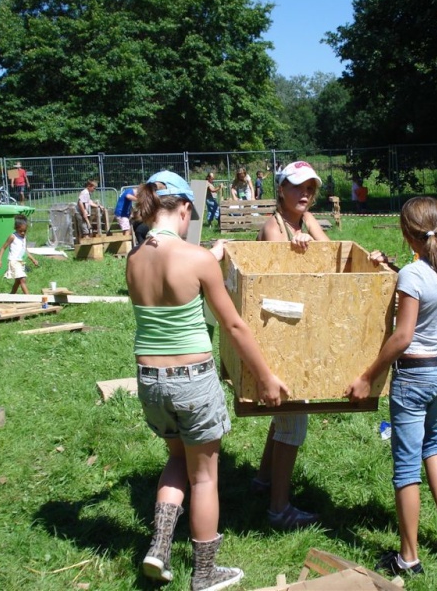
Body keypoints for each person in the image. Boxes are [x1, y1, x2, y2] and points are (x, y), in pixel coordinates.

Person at [127, 170, 288, 590]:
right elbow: (233, 326)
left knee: (177, 459)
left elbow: (170, 276)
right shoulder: (195, 258)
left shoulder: (134, 259)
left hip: (150, 381)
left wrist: (209, 254)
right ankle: (204, 573)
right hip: (192, 381)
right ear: (184, 208)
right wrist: (266, 377)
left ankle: (159, 548)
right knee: (204, 476)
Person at [345, 196, 437, 576]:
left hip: (415, 376)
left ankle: (408, 557)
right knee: (433, 445)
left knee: (405, 468)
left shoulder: (413, 276)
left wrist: (367, 376)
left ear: (405, 232)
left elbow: (402, 337)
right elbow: (430, 286)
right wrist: (395, 269)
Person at [252, 161, 329, 529]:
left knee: (285, 414)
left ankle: (263, 479)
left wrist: (312, 243)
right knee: (294, 421)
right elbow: (281, 285)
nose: (305, 194)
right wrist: (296, 251)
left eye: (310, 188)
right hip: (279, 335)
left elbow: (330, 256)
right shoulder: (274, 227)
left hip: (295, 329)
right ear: (280, 189)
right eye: (297, 187)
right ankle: (278, 508)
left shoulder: (305, 219)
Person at [0, 214, 39, 294]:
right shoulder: (13, 237)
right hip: (13, 262)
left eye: (25, 231)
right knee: (22, 279)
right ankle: (29, 298)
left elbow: (25, 250)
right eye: (20, 231)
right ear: (16, 228)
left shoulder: (24, 237)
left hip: (20, 262)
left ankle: (11, 295)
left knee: (18, 281)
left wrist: (33, 259)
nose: (23, 233)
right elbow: (3, 248)